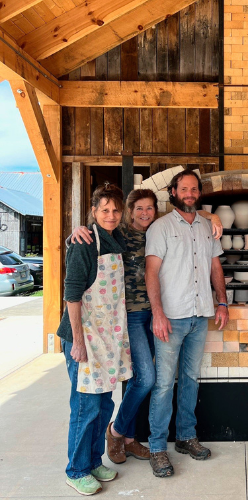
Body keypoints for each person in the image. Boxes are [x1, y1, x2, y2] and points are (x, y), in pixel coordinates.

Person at [70, 188, 223, 467]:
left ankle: (128, 437)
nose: (144, 213)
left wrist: (211, 215)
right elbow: (90, 243)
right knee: (147, 378)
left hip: (156, 313)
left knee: (137, 377)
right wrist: (75, 232)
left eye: (150, 208)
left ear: (157, 210)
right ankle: (116, 432)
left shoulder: (162, 228)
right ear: (129, 211)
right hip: (127, 317)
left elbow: (189, 212)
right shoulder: (118, 234)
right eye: (138, 208)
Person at [145, 169, 229, 478]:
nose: (190, 193)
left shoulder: (208, 226)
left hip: (200, 315)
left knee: (191, 379)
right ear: (174, 192)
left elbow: (214, 264)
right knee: (165, 384)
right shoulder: (160, 227)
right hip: (171, 318)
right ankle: (157, 448)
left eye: (194, 189)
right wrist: (157, 312)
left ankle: (185, 437)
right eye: (185, 189)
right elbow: (151, 272)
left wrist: (222, 301)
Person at [57, 184, 132, 496]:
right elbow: (72, 295)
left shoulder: (115, 238)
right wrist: (77, 341)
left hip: (107, 336)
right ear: (93, 212)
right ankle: (75, 470)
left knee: (103, 403)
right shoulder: (84, 242)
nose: (111, 215)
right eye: (105, 210)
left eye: (115, 210)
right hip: (83, 337)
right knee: (86, 406)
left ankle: (92, 460)